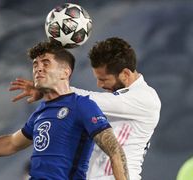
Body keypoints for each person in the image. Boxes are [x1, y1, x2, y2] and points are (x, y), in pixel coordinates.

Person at [0, 41, 129, 180]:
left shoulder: (81, 105)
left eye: (46, 63)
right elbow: (11, 143)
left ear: (66, 71)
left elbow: (115, 151)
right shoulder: (40, 113)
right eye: (35, 64)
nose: (38, 68)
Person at [9, 37, 161, 180]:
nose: (99, 85)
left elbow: (84, 99)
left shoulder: (145, 98)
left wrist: (48, 87)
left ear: (125, 74)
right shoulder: (120, 98)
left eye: (103, 79)